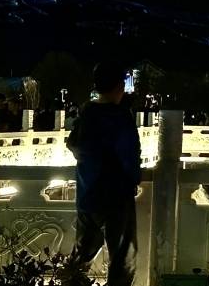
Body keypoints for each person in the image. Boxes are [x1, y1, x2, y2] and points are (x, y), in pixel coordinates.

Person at [67, 62, 141, 286]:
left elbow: (73, 144)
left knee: (81, 255)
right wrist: (133, 178)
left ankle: (69, 281)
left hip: (87, 194)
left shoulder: (86, 114)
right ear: (120, 86)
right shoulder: (120, 117)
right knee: (122, 258)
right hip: (116, 196)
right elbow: (129, 154)